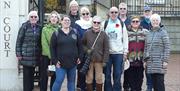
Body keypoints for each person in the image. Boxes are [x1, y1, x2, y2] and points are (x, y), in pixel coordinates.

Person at [50, 15, 83, 91]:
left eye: (68, 20)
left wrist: (80, 57)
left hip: (73, 63)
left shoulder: (75, 32)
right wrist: (55, 61)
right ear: (61, 22)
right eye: (65, 20)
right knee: (59, 80)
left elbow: (80, 46)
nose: (66, 22)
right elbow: (52, 48)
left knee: (71, 82)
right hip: (60, 64)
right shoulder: (56, 33)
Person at [103, 6, 128, 91]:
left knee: (117, 74)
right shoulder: (105, 23)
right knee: (107, 75)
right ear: (109, 13)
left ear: (118, 13)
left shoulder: (121, 23)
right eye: (112, 12)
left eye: (115, 12)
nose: (114, 14)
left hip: (119, 53)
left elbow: (125, 39)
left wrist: (125, 52)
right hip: (107, 54)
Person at [16, 10, 42, 91]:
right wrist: (18, 54)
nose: (33, 18)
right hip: (25, 56)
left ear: (37, 18)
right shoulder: (24, 27)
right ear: (29, 18)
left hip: (34, 57)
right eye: (31, 16)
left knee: (32, 77)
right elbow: (19, 41)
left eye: (35, 17)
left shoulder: (39, 27)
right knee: (26, 78)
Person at [143, 13, 170, 91]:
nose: (155, 22)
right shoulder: (148, 33)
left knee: (160, 84)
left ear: (159, 21)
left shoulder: (163, 32)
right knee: (154, 84)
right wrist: (144, 60)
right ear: (151, 22)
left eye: (157, 20)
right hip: (150, 63)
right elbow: (146, 48)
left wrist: (165, 61)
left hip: (159, 62)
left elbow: (167, 47)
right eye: (153, 20)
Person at [82, 16, 109, 91]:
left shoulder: (104, 34)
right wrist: (87, 50)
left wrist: (105, 60)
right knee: (89, 78)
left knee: (99, 78)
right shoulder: (87, 33)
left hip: (99, 60)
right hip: (89, 60)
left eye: (98, 22)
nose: (96, 24)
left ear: (100, 24)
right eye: (94, 22)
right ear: (92, 23)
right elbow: (82, 44)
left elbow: (106, 48)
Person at [126, 16, 149, 91]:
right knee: (131, 81)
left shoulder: (145, 32)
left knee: (139, 80)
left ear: (139, 22)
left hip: (141, 60)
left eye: (137, 21)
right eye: (133, 21)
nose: (135, 23)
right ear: (131, 23)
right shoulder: (126, 32)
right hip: (130, 60)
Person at [40, 11, 60, 91]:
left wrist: (55, 57)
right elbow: (44, 44)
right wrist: (51, 56)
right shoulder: (45, 29)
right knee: (44, 76)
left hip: (57, 56)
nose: (54, 18)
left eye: (55, 17)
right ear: (49, 19)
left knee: (55, 76)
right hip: (46, 56)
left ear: (58, 19)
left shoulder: (60, 29)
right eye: (52, 17)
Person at [74, 6, 92, 91]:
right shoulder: (78, 24)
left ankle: (92, 87)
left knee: (92, 70)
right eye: (83, 14)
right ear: (81, 15)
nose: (85, 15)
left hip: (92, 51)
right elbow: (76, 37)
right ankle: (81, 87)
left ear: (90, 14)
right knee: (81, 70)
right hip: (81, 51)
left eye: (87, 13)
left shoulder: (93, 22)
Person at [118, 2, 131, 91]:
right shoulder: (115, 19)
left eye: (124, 9)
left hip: (129, 47)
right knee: (118, 69)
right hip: (117, 48)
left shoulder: (130, 21)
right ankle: (118, 85)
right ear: (118, 10)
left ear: (126, 10)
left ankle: (126, 86)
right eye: (121, 8)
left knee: (127, 68)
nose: (122, 10)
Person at [140, 6, 153, 91]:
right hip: (143, 50)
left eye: (148, 11)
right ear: (144, 13)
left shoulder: (155, 21)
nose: (147, 13)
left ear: (151, 12)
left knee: (151, 71)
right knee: (145, 70)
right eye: (146, 11)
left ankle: (149, 87)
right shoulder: (140, 23)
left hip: (153, 51)